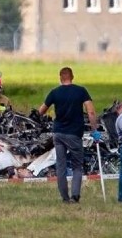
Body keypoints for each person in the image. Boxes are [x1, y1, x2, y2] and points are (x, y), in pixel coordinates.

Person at [36, 67, 99, 203]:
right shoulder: (81, 91)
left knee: (61, 166)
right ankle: (75, 196)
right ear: (72, 77)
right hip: (74, 134)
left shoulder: (54, 92)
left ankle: (64, 197)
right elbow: (91, 112)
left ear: (60, 78)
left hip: (58, 133)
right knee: (77, 166)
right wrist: (94, 130)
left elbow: (41, 111)